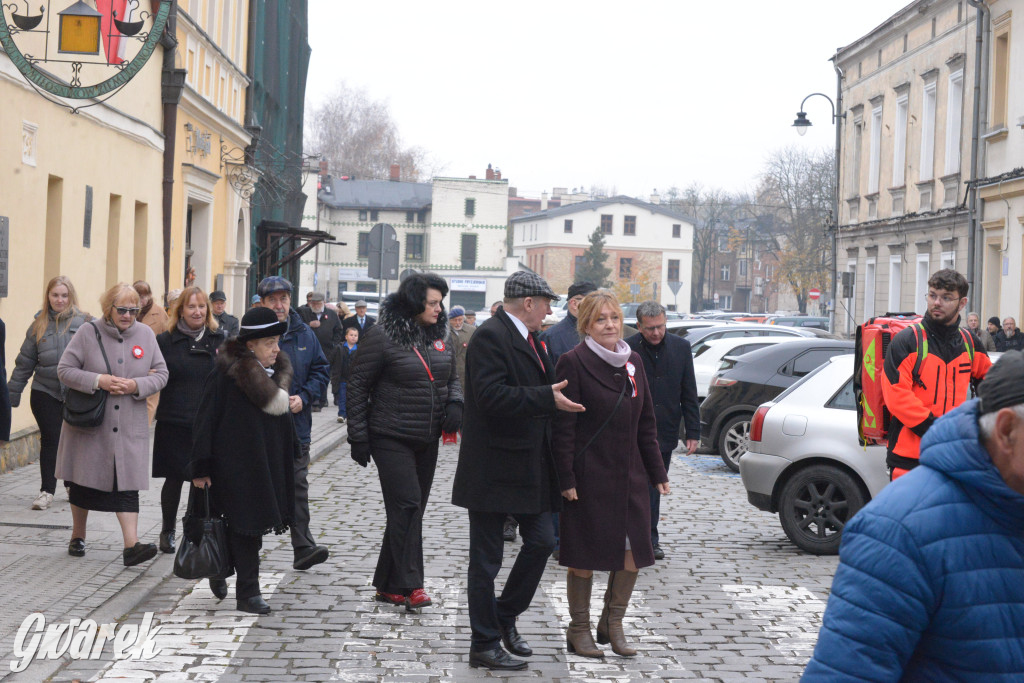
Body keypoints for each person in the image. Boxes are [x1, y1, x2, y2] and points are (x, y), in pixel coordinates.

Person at [802, 351, 1024, 681]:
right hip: (907, 456)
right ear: (1006, 431)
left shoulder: (965, 344)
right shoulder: (895, 532)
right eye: (934, 294)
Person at [451, 271, 585, 671]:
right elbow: (490, 397)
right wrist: (546, 397)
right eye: (546, 303)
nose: (549, 311)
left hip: (529, 467)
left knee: (543, 541)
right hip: (493, 468)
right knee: (486, 560)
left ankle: (503, 615)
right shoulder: (491, 335)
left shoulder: (532, 338)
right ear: (529, 303)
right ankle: (484, 642)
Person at [552, 291, 670, 659]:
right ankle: (579, 628)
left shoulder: (632, 360)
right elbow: (563, 428)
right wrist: (566, 478)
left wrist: (657, 472)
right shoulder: (572, 361)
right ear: (586, 324)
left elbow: (646, 423)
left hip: (631, 473)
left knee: (634, 551)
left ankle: (612, 623)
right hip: (590, 475)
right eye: (601, 319)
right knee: (584, 555)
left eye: (615, 318)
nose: (610, 325)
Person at [347, 273, 463, 611]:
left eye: (440, 302)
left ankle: (387, 584)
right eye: (432, 303)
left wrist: (455, 403)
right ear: (414, 303)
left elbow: (452, 377)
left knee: (410, 512)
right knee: (408, 505)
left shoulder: (440, 335)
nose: (439, 309)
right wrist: (358, 436)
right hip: (390, 435)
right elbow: (357, 386)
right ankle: (412, 584)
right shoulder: (382, 335)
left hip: (426, 438)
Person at [189, 307, 299, 614]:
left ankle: (221, 569)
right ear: (251, 345)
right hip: (233, 466)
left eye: (278, 340)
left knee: (251, 528)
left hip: (266, 466)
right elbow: (204, 421)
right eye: (269, 343)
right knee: (243, 528)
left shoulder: (276, 375)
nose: (277, 348)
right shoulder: (226, 375)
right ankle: (248, 593)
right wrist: (201, 467)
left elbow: (280, 420)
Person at [56, 283, 168, 566]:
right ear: (109, 309)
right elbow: (65, 370)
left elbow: (163, 374)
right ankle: (78, 535)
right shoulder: (87, 332)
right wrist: (99, 381)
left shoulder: (145, 334)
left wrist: (136, 385)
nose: (128, 315)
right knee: (82, 482)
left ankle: (131, 546)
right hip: (91, 424)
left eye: (133, 310)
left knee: (127, 486)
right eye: (122, 310)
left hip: (129, 424)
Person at [881, 269, 991, 479]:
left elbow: (992, 386)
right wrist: (940, 430)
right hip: (909, 459)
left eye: (946, 297)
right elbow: (896, 397)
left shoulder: (970, 344)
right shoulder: (907, 341)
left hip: (955, 457)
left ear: (962, 303)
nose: (936, 302)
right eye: (932, 295)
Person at [258, 276, 331, 570]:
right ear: (262, 302)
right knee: (256, 490)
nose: (279, 305)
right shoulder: (252, 332)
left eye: (284, 299)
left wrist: (305, 396)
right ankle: (236, 554)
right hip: (259, 430)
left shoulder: (303, 334)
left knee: (298, 485)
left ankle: (303, 546)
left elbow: (321, 369)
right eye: (273, 299)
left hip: (296, 428)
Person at [153, 287, 225, 555]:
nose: (197, 312)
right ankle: (167, 530)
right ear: (180, 310)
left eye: (201, 306)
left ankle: (194, 532)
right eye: (191, 307)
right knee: (173, 479)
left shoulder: (220, 340)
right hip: (174, 420)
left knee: (203, 481)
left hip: (208, 424)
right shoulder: (164, 341)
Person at [9, 276, 90, 510]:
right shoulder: (38, 325)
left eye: (64, 295)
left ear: (71, 297)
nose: (60, 300)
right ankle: (47, 491)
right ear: (48, 297)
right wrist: (11, 395)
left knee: (73, 440)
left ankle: (72, 484)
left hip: (76, 393)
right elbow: (24, 362)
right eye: (55, 295)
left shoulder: (86, 323)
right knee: (51, 439)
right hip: (45, 391)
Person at [626, 300, 698, 561]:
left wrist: (693, 432)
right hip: (631, 431)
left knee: (655, 486)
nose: (656, 333)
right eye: (650, 329)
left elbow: (689, 392)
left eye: (660, 327)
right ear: (639, 327)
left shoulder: (681, 348)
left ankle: (649, 539)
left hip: (664, 431)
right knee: (633, 486)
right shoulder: (627, 348)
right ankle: (629, 537)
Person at [540, 281, 598, 555]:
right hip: (562, 419)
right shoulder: (553, 337)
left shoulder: (600, 332)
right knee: (562, 478)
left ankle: (587, 535)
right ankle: (559, 539)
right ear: (575, 303)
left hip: (596, 422)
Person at [299, 292, 343, 411]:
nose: (316, 305)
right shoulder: (305, 313)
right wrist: (309, 325)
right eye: (313, 303)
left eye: (318, 303)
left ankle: (322, 401)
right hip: (308, 350)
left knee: (324, 375)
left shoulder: (332, 314)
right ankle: (313, 401)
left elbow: (339, 330)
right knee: (310, 374)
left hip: (327, 350)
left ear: (323, 303)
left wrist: (334, 344)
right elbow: (297, 326)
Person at [134, 280, 169, 423]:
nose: (142, 300)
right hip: (131, 363)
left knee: (150, 402)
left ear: (149, 296)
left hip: (151, 364)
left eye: (144, 296)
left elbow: (167, 337)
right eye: (138, 296)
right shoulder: (129, 310)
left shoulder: (159, 313)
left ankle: (144, 428)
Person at [330, 327, 358, 424]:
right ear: (346, 337)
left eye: (355, 335)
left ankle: (351, 414)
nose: (353, 337)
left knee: (352, 397)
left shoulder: (359, 350)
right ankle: (341, 414)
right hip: (341, 378)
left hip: (354, 379)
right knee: (342, 397)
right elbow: (331, 360)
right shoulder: (339, 348)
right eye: (351, 335)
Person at [448, 305, 474, 384]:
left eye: (460, 320)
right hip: (449, 371)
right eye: (454, 320)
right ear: (449, 320)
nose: (458, 323)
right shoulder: (445, 331)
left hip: (466, 371)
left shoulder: (471, 330)